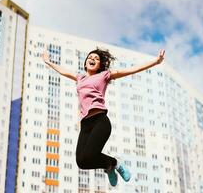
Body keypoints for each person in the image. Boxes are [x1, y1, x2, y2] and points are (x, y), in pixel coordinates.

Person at [42, 48, 165, 186]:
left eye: (96, 58)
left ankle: (115, 163)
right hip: (85, 125)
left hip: (100, 121)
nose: (93, 59)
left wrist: (156, 61)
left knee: (89, 155)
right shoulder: (80, 78)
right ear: (85, 63)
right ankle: (108, 166)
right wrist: (48, 62)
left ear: (100, 65)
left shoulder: (104, 76)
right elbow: (64, 71)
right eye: (90, 57)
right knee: (81, 162)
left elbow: (131, 70)